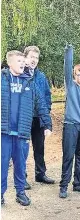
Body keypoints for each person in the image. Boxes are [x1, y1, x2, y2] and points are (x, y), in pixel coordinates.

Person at [1, 50, 52, 206]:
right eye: (19, 61)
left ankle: (20, 193)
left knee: (21, 164)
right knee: (2, 165)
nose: (23, 64)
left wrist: (47, 124)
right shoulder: (2, 80)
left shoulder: (29, 82)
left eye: (23, 61)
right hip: (4, 132)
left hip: (22, 132)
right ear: (9, 63)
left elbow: (41, 104)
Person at [59, 45, 80, 199]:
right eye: (79, 75)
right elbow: (67, 67)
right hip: (70, 125)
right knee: (68, 156)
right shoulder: (70, 86)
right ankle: (64, 185)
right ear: (74, 75)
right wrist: (68, 52)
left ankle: (77, 183)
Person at [23, 46, 54, 189]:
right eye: (31, 57)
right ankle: (21, 177)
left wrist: (46, 112)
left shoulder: (41, 76)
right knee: (22, 148)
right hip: (24, 117)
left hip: (38, 118)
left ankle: (40, 174)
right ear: (25, 58)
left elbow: (47, 95)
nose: (34, 60)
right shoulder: (20, 74)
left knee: (39, 147)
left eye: (36, 58)